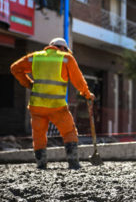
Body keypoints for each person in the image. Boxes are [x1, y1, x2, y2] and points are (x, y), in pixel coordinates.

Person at [10, 37, 94, 169]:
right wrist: (87, 94)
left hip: (37, 106)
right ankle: (73, 163)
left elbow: (15, 68)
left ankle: (41, 164)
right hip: (57, 107)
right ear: (63, 48)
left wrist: (28, 84)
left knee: (38, 134)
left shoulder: (35, 57)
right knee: (69, 131)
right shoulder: (66, 58)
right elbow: (78, 81)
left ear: (50, 46)